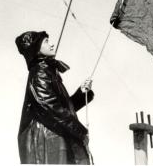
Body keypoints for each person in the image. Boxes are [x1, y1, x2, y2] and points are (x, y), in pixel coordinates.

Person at [15, 31, 94, 164]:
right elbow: (52, 109)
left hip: (54, 139)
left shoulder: (46, 71)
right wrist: (80, 131)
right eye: (46, 41)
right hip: (47, 142)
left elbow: (60, 108)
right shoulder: (40, 72)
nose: (52, 44)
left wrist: (82, 93)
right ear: (36, 49)